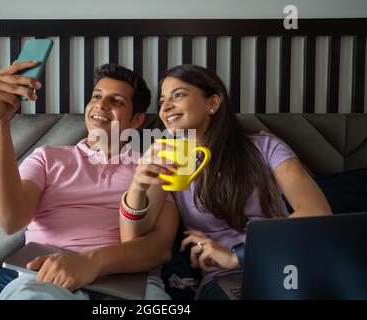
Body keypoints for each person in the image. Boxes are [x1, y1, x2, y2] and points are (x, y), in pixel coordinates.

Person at [0, 62, 178, 300]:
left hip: (127, 283)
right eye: (96, 96)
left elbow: (159, 248)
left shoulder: (152, 166)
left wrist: (90, 263)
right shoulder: (48, 157)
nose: (101, 105)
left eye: (116, 101)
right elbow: (10, 221)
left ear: (136, 120)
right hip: (46, 278)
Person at [121, 64, 332, 299]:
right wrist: (138, 186)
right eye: (162, 101)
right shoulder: (170, 160)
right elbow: (133, 237)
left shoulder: (265, 147)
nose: (165, 107)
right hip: (224, 282)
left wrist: (236, 256)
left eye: (178, 95)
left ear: (212, 103)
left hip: (285, 265)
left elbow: (317, 211)